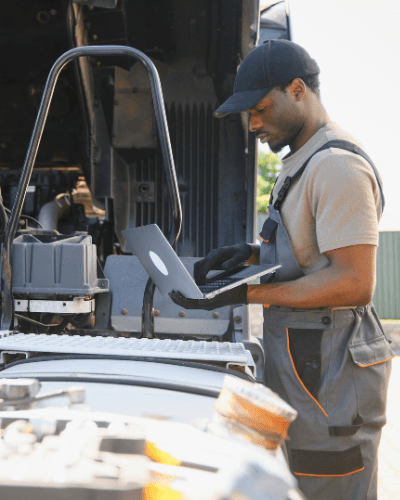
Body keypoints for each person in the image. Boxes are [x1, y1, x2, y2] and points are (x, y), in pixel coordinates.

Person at [170, 40, 393, 500]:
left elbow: (355, 282)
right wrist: (249, 256)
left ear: (297, 90)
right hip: (307, 358)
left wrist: (245, 295)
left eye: (260, 109)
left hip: (331, 372)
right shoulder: (304, 161)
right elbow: (313, 253)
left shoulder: (336, 166)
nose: (252, 123)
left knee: (324, 481)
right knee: (292, 482)